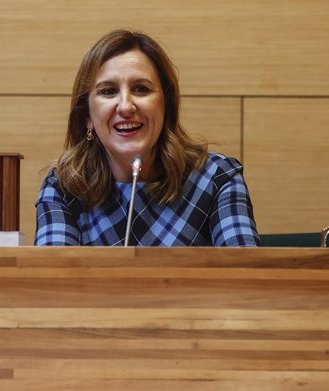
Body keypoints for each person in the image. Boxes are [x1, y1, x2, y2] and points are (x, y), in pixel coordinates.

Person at [35, 29, 259, 246]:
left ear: (166, 106)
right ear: (87, 116)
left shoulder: (216, 178)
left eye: (141, 89)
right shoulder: (64, 186)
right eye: (108, 91)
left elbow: (246, 276)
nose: (125, 106)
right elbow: (55, 280)